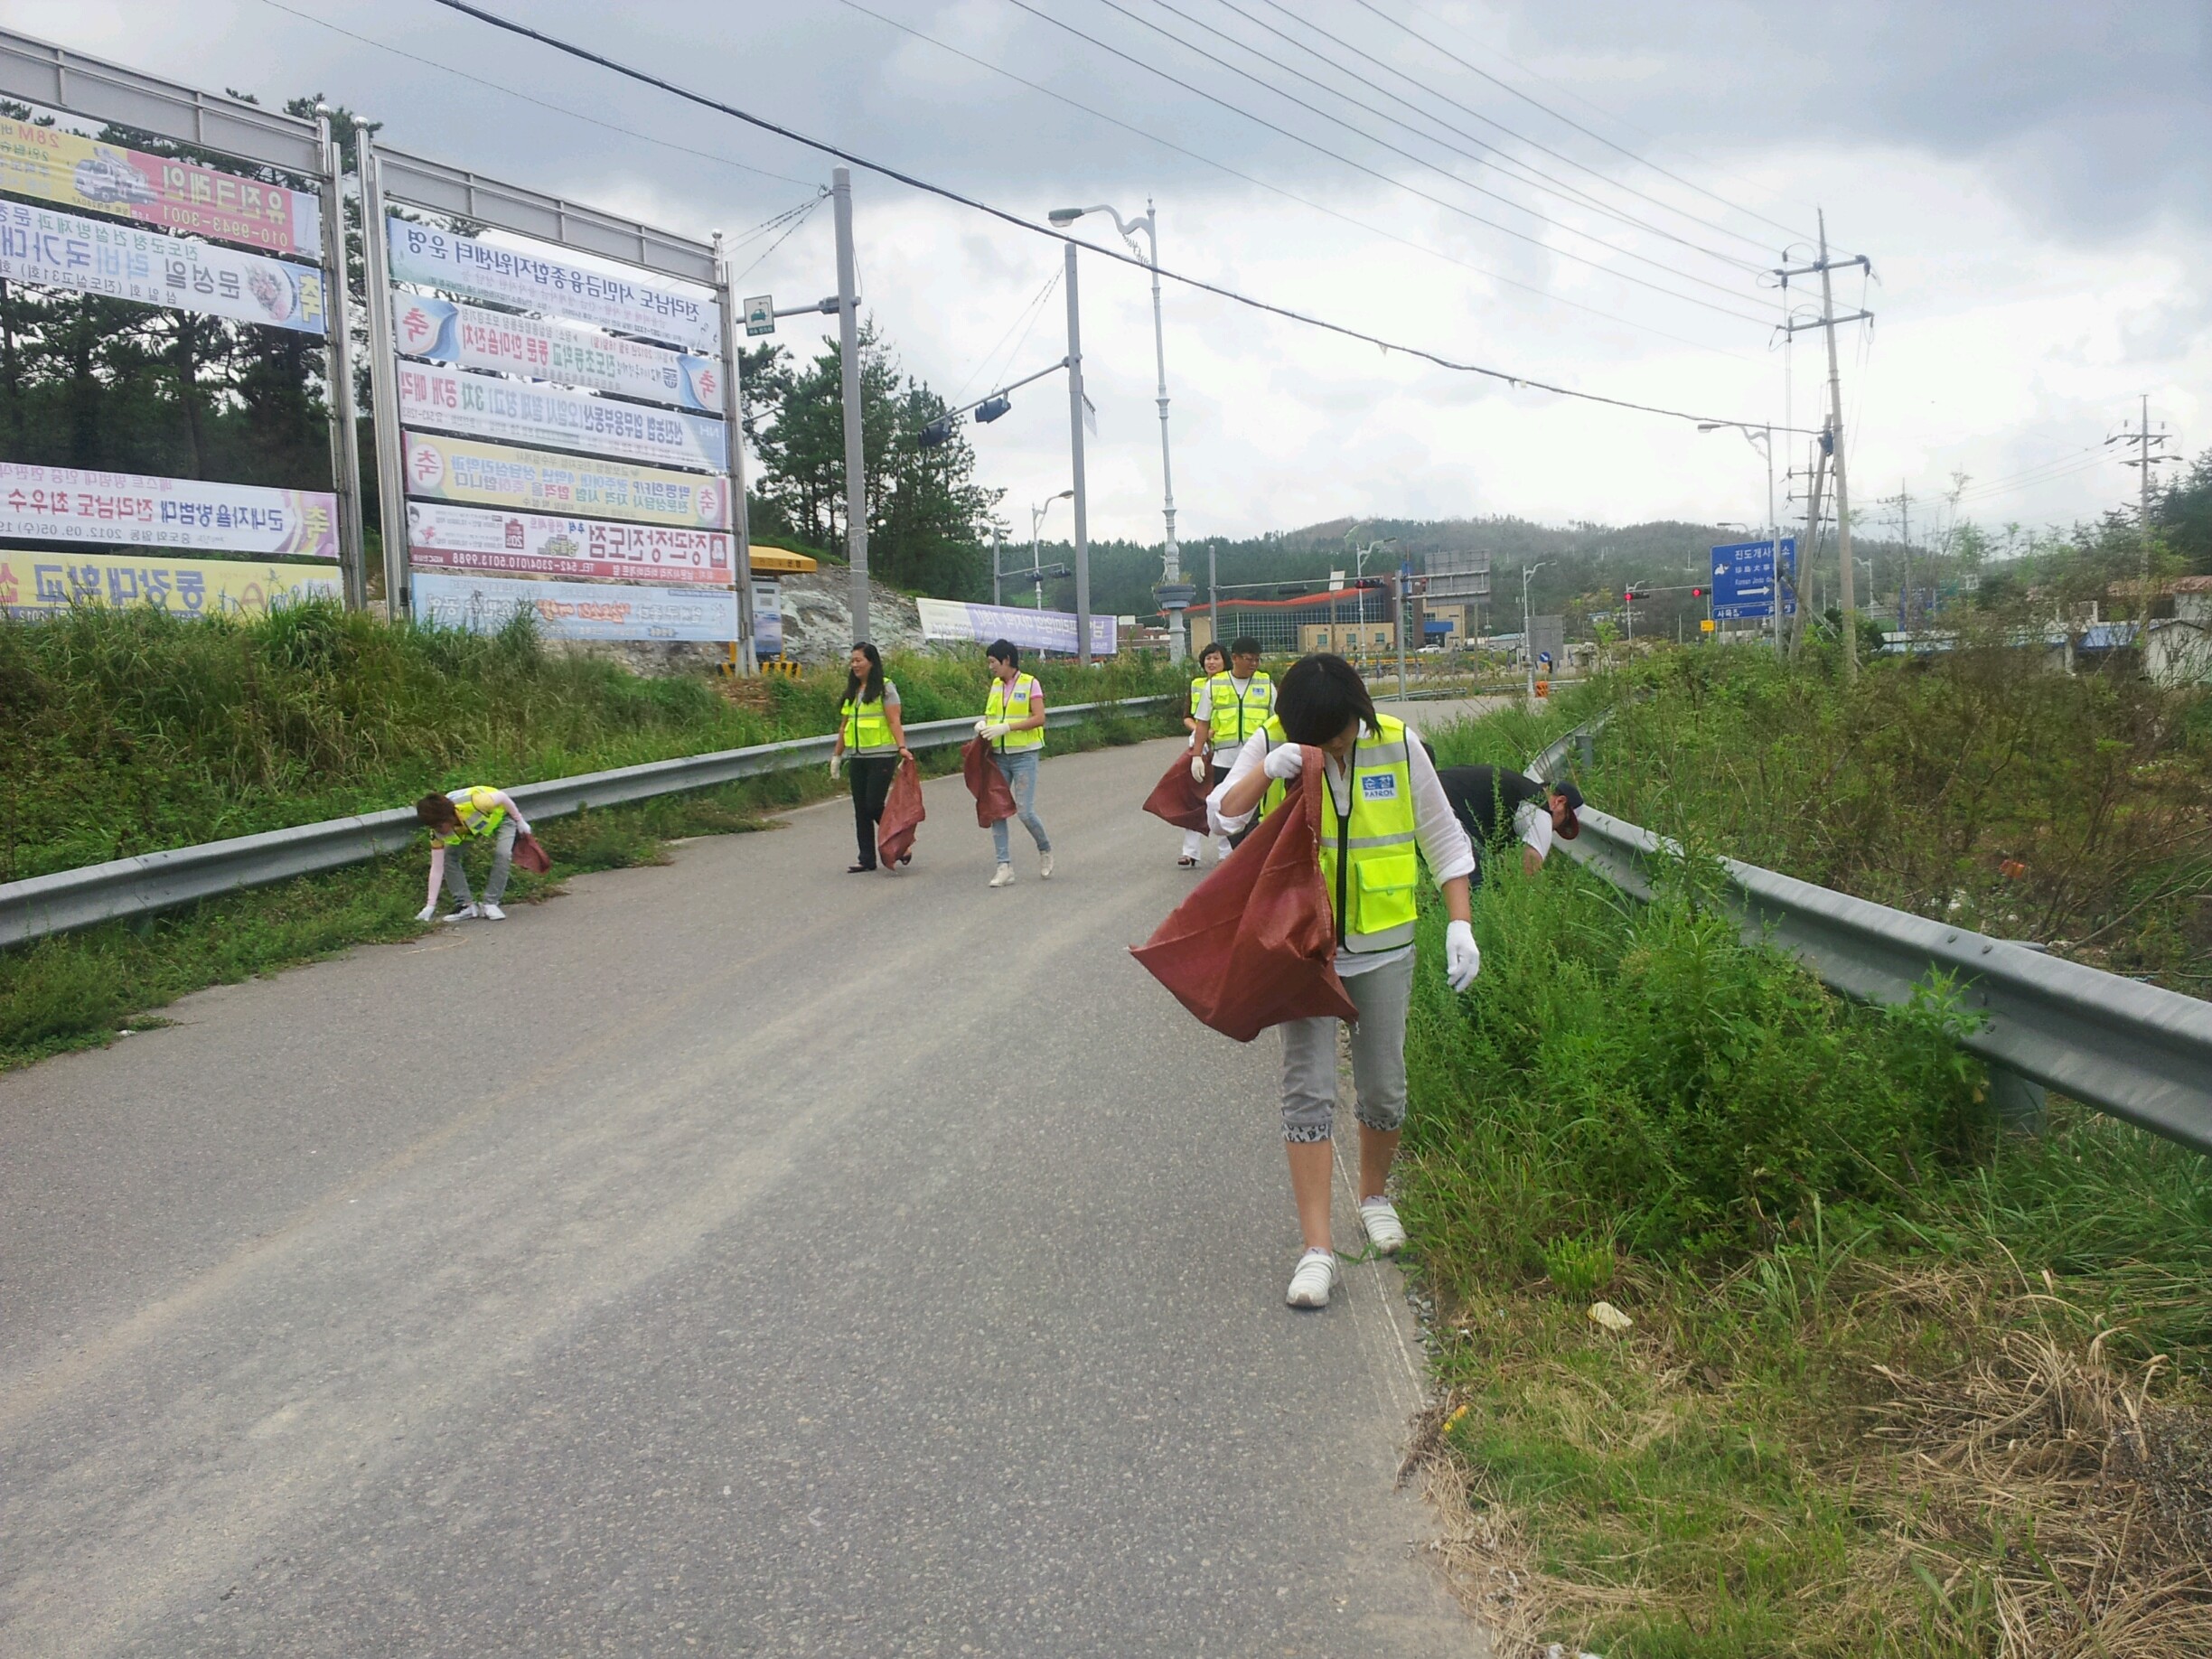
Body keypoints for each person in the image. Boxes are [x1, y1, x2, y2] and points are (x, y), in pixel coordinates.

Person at [1211, 653, 1481, 1309]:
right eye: (1322, 739)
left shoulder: (1396, 742)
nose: (1335, 746)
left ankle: (1375, 1196)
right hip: (1304, 949)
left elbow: (1444, 839)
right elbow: (1221, 812)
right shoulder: (1276, 738)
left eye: (1342, 733)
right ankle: (1317, 1249)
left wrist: (1459, 923)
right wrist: (1265, 773)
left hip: (1386, 947)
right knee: (1308, 1090)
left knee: (1384, 1083)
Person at [830, 642, 914, 874]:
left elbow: (895, 720)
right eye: (852, 660)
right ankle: (866, 858)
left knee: (873, 803)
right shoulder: (852, 691)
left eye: (859, 660)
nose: (854, 665)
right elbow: (844, 726)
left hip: (881, 754)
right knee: (861, 808)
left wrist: (902, 747)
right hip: (857, 756)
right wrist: (837, 756)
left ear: (871, 662)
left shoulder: (885, 688)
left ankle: (900, 843)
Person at [975, 639, 1052, 887]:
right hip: (999, 755)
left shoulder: (1031, 683)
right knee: (996, 809)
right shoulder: (996, 686)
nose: (991, 667)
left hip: (1024, 755)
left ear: (1006, 660)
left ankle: (1044, 848)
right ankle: (1004, 866)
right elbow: (991, 715)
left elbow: (1039, 718)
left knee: (1025, 811)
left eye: (993, 662)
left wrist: (1007, 727)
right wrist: (984, 726)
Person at [1432, 761, 1583, 880]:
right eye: (1562, 823)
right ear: (1559, 802)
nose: (1553, 829)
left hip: (1425, 789)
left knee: (1450, 872)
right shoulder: (1541, 810)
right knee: (1474, 881)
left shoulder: (1517, 791)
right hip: (1441, 805)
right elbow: (1530, 870)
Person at [416, 784, 534, 923]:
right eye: (433, 827)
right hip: (471, 828)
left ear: (450, 817)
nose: (438, 831)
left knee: (502, 854)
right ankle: (465, 905)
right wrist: (430, 905)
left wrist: (520, 820)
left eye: (439, 826)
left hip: (501, 816)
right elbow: (437, 867)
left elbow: (502, 797)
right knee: (449, 857)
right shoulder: (437, 833)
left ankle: (491, 903)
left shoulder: (477, 802)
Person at [1177, 641, 1229, 867]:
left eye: (1216, 658)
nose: (1211, 662)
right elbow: (1188, 716)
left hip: (1224, 748)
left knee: (1224, 800)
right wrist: (1200, 731)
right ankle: (1190, 852)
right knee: (1194, 799)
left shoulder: (1231, 685)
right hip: (1200, 748)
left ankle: (1226, 853)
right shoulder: (1196, 684)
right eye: (1208, 658)